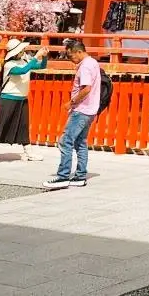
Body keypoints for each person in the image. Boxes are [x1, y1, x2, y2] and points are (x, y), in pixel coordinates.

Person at [0, 39, 48, 167]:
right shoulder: (9, 65)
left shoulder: (25, 60)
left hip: (22, 98)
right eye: (21, 50)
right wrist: (36, 56)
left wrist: (44, 57)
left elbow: (41, 66)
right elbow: (22, 71)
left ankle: (28, 151)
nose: (23, 52)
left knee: (23, 126)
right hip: (8, 98)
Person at [46, 39, 100, 189]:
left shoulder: (85, 67)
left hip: (81, 109)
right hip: (90, 109)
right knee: (80, 142)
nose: (70, 59)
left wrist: (72, 102)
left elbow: (86, 88)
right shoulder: (93, 63)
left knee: (66, 141)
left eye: (71, 55)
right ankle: (80, 176)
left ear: (79, 51)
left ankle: (63, 176)